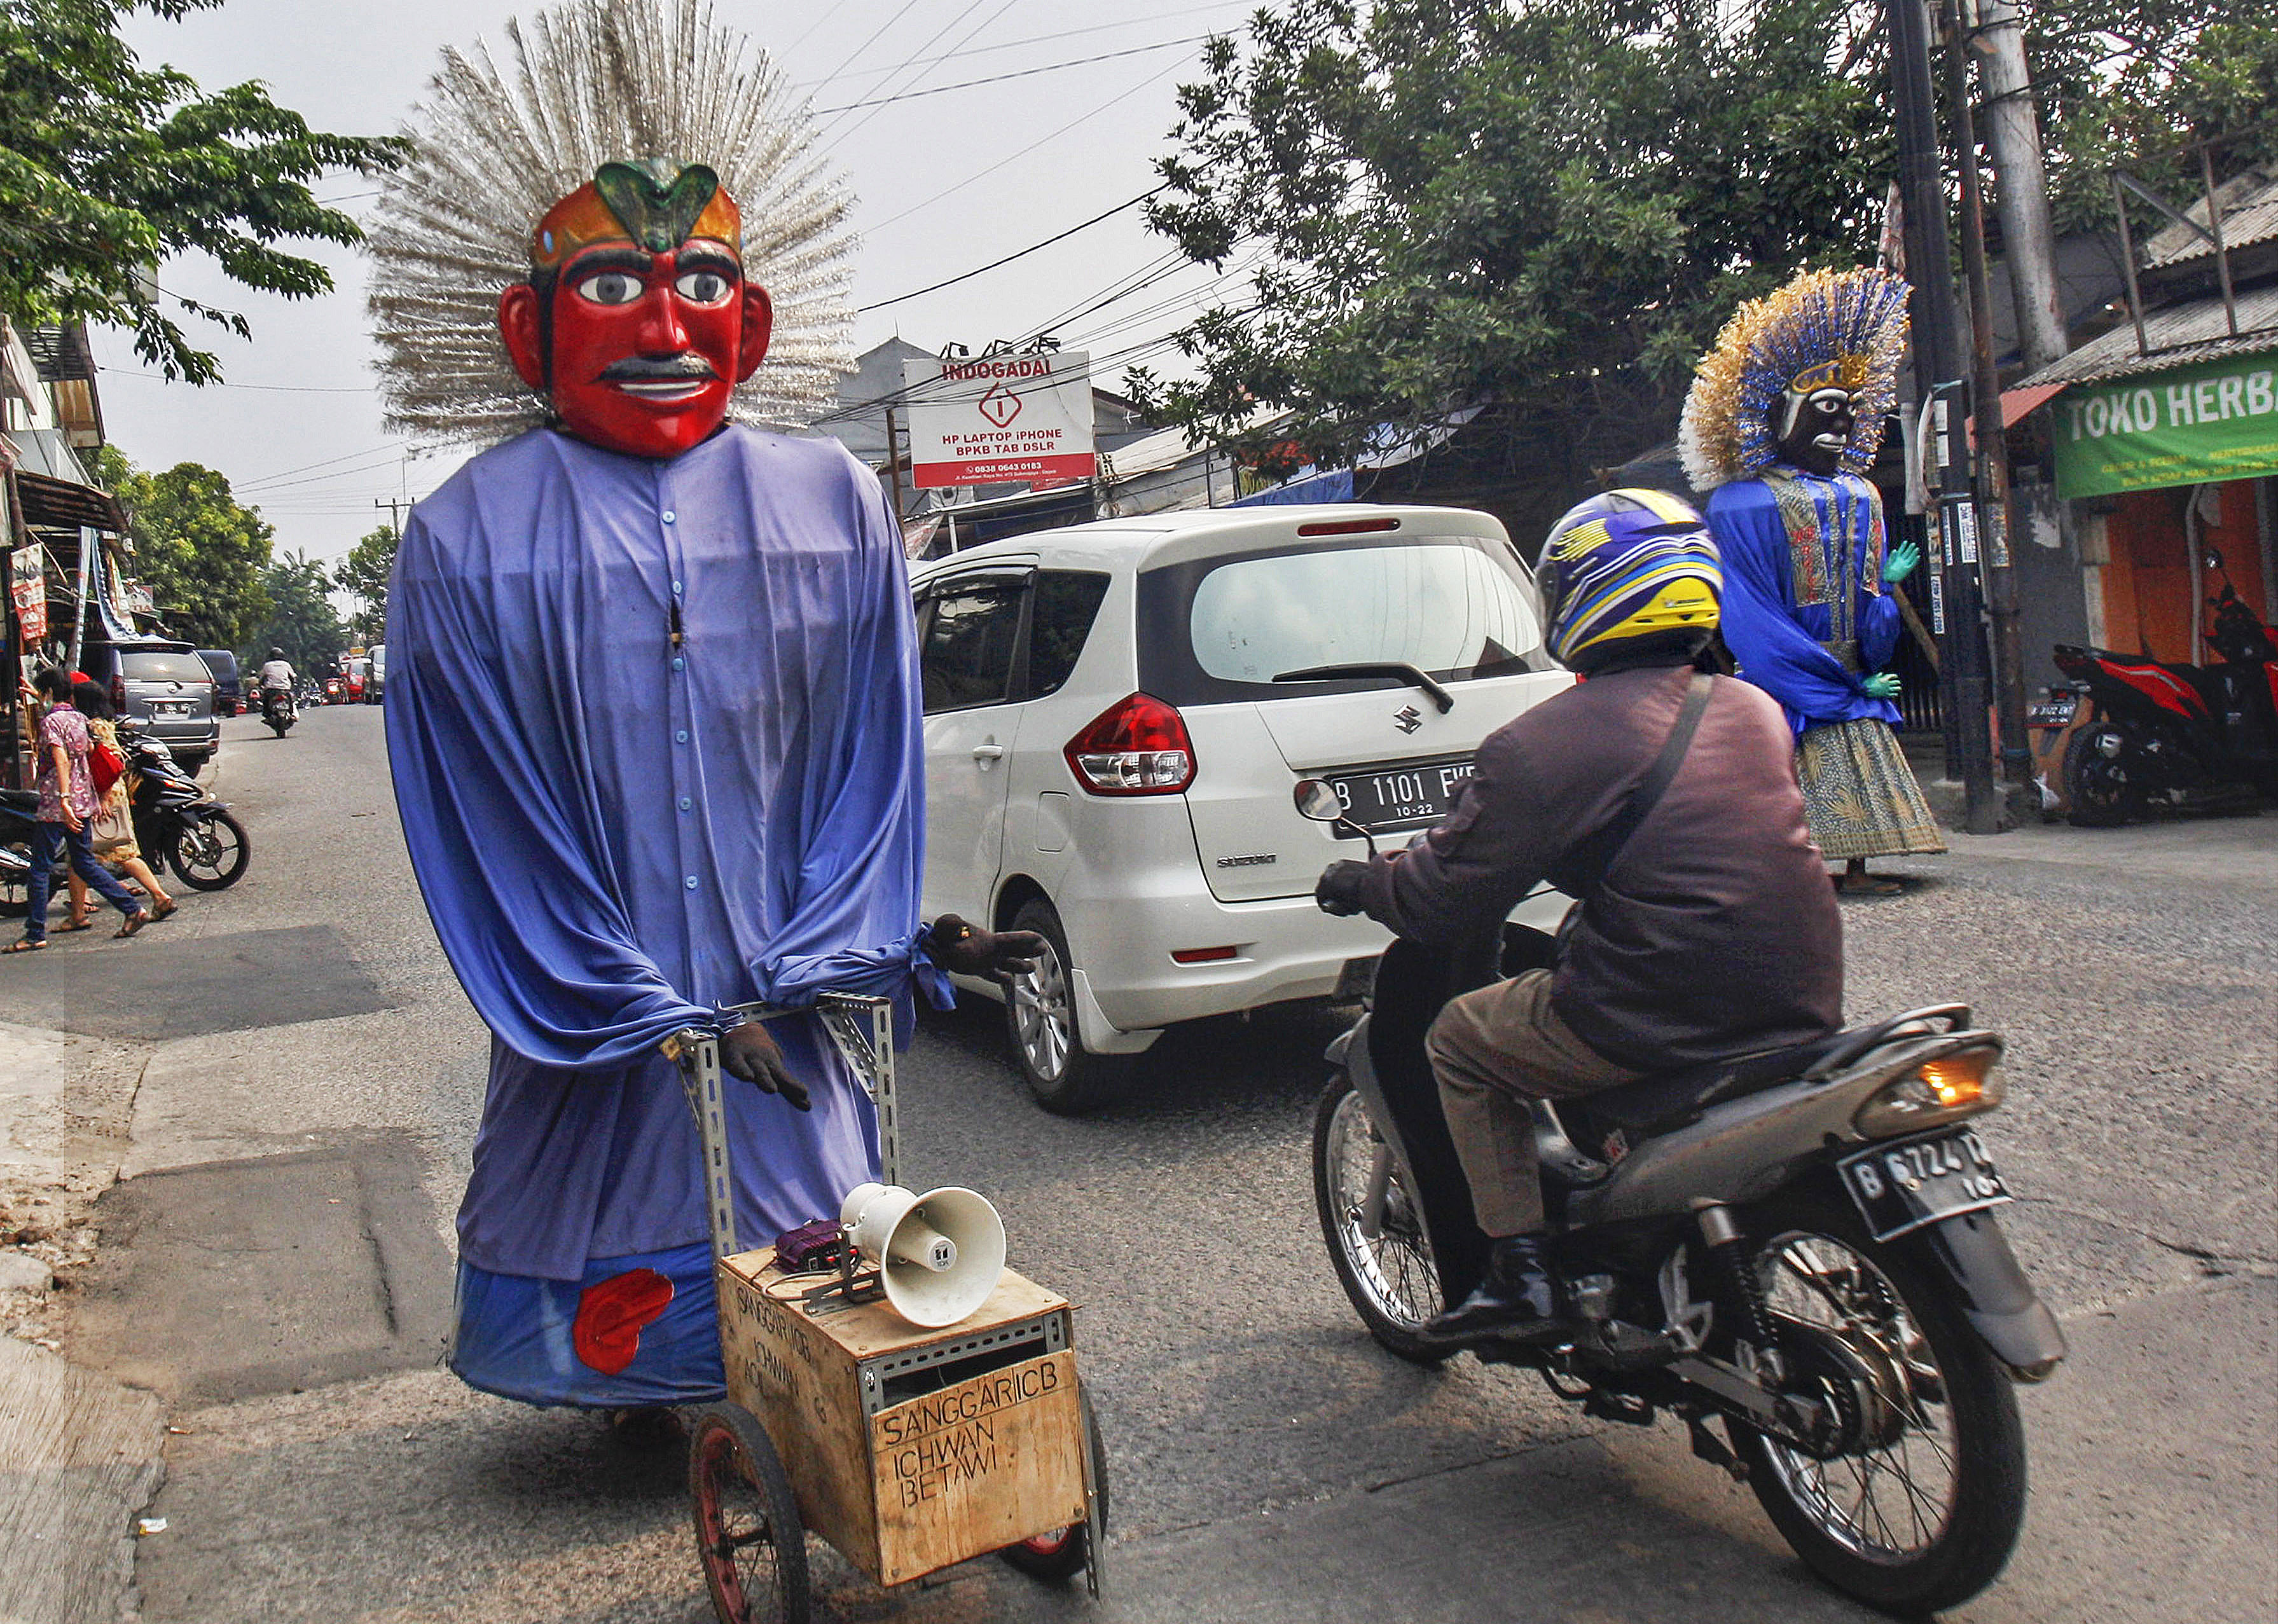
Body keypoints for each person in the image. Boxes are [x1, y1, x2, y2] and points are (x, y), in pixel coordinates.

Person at [369, 0, 1036, 1409]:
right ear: (527, 327)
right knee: (619, 1214)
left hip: (786, 976)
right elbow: (490, 822)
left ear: (756, 319)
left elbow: (872, 764)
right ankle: (637, 1371)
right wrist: (637, 1001)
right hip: (596, 1001)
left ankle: (796, 1359)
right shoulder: (467, 538)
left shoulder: (836, 505)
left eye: (704, 282)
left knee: (822, 1229)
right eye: (614, 285)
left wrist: (857, 943)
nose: (668, 325)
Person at [1315, 491, 1842, 1347]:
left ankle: (1518, 1271)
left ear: (1581, 597)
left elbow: (1438, 895)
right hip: (1800, 995)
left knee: (1459, 1037)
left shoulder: (1544, 743)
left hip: (1653, 1009)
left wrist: (1361, 882)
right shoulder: (1751, 708)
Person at [1678, 266, 1945, 893]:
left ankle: (1855, 863)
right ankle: (1784, 867)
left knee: (1852, 763)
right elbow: (1749, 609)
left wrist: (1881, 594)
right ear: (1780, 418)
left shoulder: (1862, 494)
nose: (1842, 425)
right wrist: (1832, 679)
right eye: (1826, 410)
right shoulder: (1742, 505)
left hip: (1850, 663)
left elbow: (1867, 597)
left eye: (1850, 412)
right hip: (1791, 669)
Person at [6, 668, 151, 951]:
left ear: (49, 693)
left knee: (40, 868)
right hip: (84, 803)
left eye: (43, 693)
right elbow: (89, 756)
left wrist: (64, 799)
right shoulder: (79, 719)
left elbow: (60, 758)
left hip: (57, 806)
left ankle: (35, 933)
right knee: (84, 863)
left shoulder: (51, 722)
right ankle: (132, 909)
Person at [55, 681, 177, 929]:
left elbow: (110, 764)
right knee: (96, 855)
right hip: (109, 792)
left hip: (103, 794)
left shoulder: (94, 727)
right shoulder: (104, 724)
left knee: (106, 854)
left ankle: (158, 896)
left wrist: (102, 798)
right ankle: (80, 912)